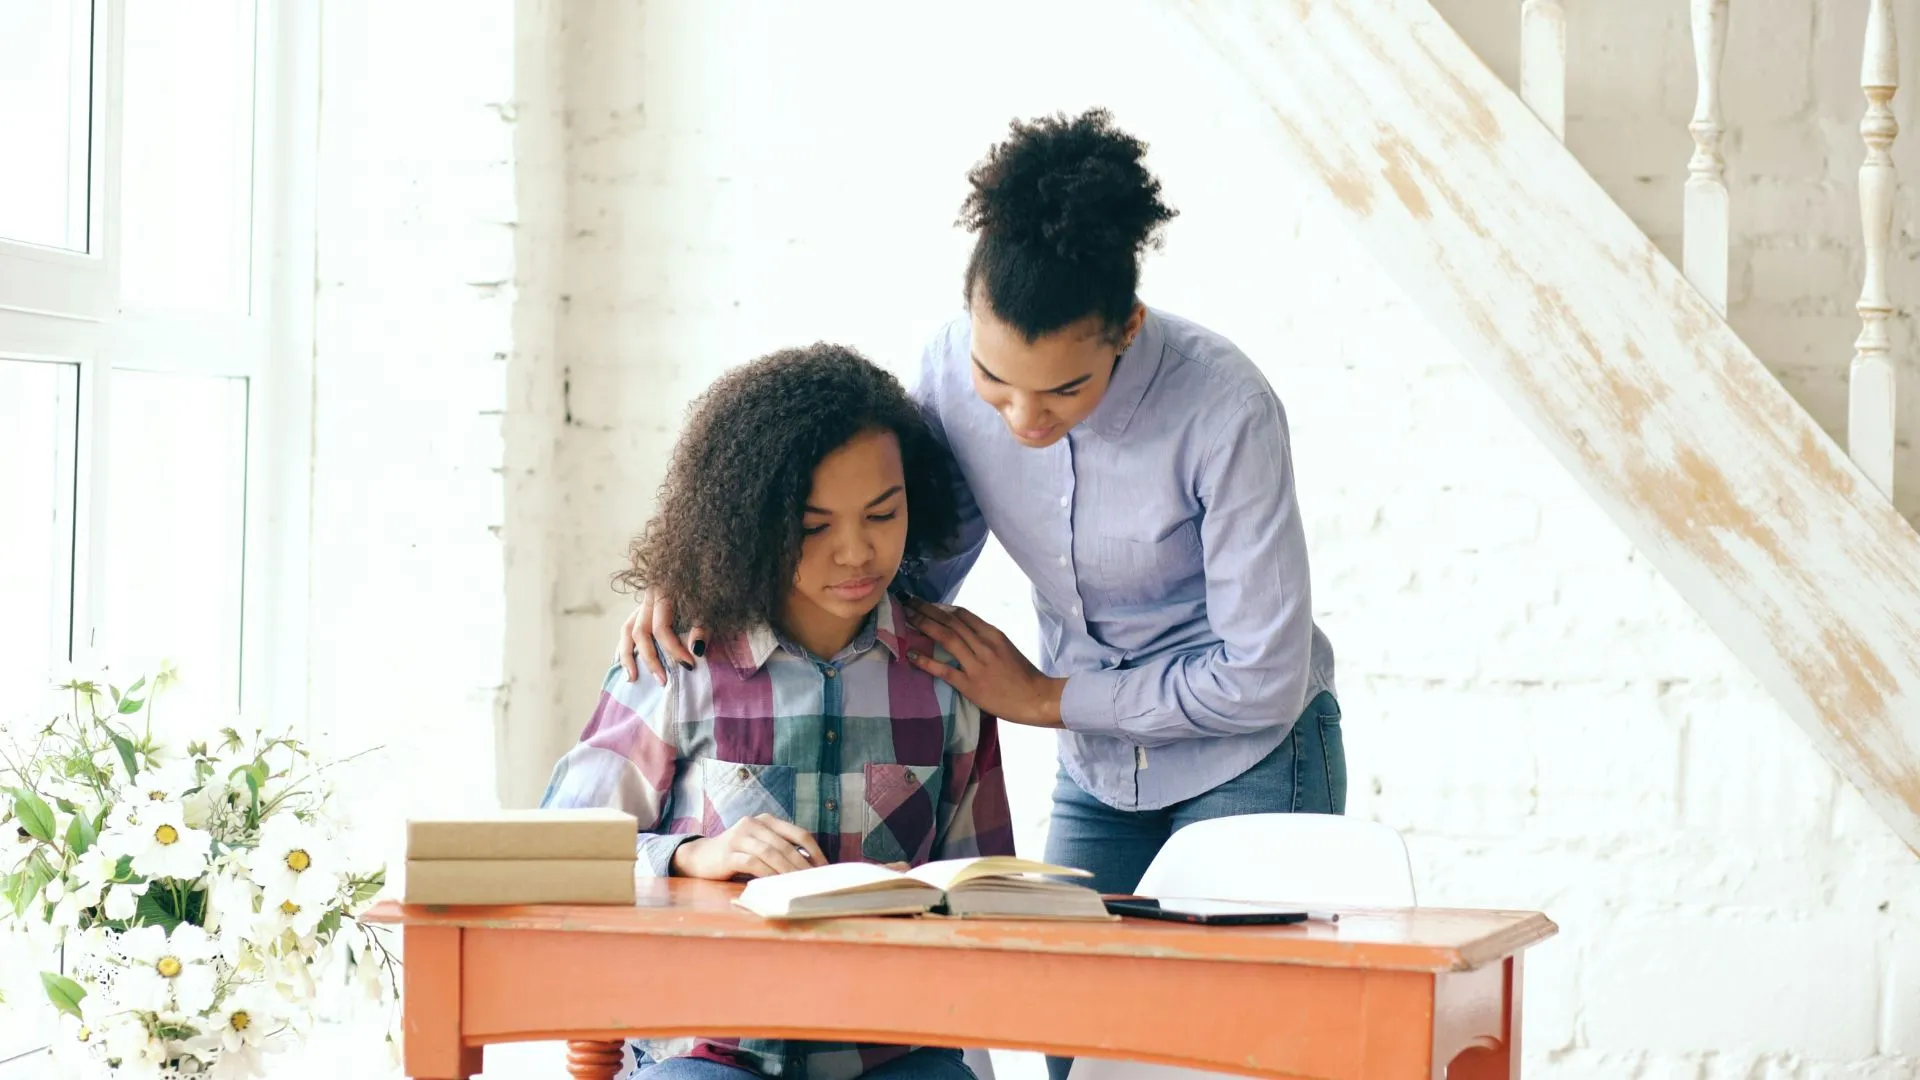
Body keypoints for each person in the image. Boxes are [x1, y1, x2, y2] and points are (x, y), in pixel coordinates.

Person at [624, 106, 1342, 937]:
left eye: (1066, 390)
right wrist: (711, 584)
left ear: (1128, 329)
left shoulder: (1225, 410)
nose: (1025, 419)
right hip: (1101, 767)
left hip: (1250, 754)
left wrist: (1046, 697)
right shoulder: (942, 368)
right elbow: (900, 559)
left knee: (1228, 1021)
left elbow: (1263, 677)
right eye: (994, 380)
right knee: (1062, 1003)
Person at [547, 343, 1012, 1080]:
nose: (856, 552)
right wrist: (691, 856)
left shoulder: (947, 678)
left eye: (882, 514)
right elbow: (554, 855)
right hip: (713, 1054)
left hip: (892, 1054)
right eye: (814, 526)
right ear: (752, 521)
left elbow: (986, 893)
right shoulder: (679, 663)